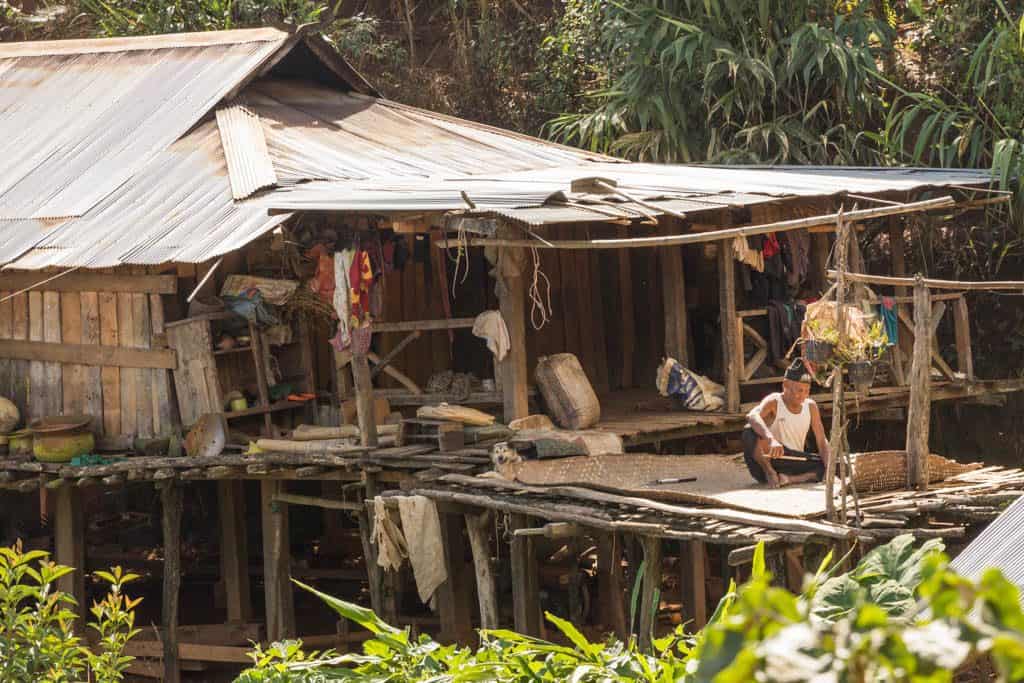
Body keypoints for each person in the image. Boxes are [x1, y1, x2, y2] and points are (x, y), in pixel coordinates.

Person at [742, 358, 832, 488]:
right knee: (749, 431)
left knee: (834, 465)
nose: (803, 396)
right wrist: (771, 440)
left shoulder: (811, 406)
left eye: (807, 391)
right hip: (769, 461)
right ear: (785, 385)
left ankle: (790, 479)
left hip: (795, 461)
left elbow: (822, 441)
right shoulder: (775, 401)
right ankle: (770, 473)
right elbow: (752, 415)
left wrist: (829, 468)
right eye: (799, 390)